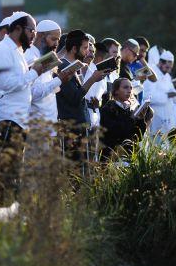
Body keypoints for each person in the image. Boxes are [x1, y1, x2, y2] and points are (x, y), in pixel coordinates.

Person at [0, 11, 44, 199]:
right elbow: (6, 84)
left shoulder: (17, 51)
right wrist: (33, 73)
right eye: (32, 30)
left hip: (18, 120)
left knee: (14, 173)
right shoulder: (3, 50)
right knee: (8, 173)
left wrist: (31, 71)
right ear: (18, 28)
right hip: (7, 120)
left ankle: (11, 213)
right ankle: (4, 215)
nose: (34, 35)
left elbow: (17, 81)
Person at [57, 30, 108, 163]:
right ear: (74, 48)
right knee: (78, 172)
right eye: (85, 48)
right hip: (73, 127)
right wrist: (92, 79)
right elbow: (74, 97)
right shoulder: (63, 66)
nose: (87, 52)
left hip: (80, 125)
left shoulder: (74, 66)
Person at [24, 19, 73, 127]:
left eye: (58, 40)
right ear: (41, 36)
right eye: (53, 39)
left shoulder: (45, 56)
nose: (56, 44)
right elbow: (32, 93)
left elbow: (48, 91)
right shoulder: (29, 57)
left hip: (49, 124)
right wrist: (59, 80)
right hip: (37, 125)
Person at [100, 78, 153, 160]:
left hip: (128, 154)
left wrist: (141, 119)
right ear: (116, 91)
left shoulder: (130, 109)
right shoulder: (109, 108)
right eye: (125, 87)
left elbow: (138, 137)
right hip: (113, 154)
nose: (129, 90)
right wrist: (132, 118)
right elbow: (115, 132)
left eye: (131, 88)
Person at [143, 50, 176, 135]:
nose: (169, 69)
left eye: (170, 67)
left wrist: (173, 94)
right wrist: (166, 96)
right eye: (167, 67)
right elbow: (147, 96)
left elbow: (172, 93)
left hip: (168, 118)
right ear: (161, 63)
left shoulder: (167, 76)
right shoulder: (151, 74)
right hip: (155, 118)